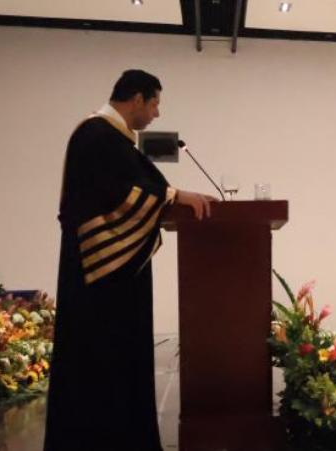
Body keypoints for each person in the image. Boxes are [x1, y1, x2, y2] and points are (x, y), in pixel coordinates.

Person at [46, 70, 216, 451]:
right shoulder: (96, 135)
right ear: (137, 98)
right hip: (101, 282)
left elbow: (137, 186)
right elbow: (125, 192)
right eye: (154, 104)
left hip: (109, 278)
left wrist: (171, 195)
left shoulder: (111, 138)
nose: (156, 114)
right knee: (101, 366)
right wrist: (174, 197)